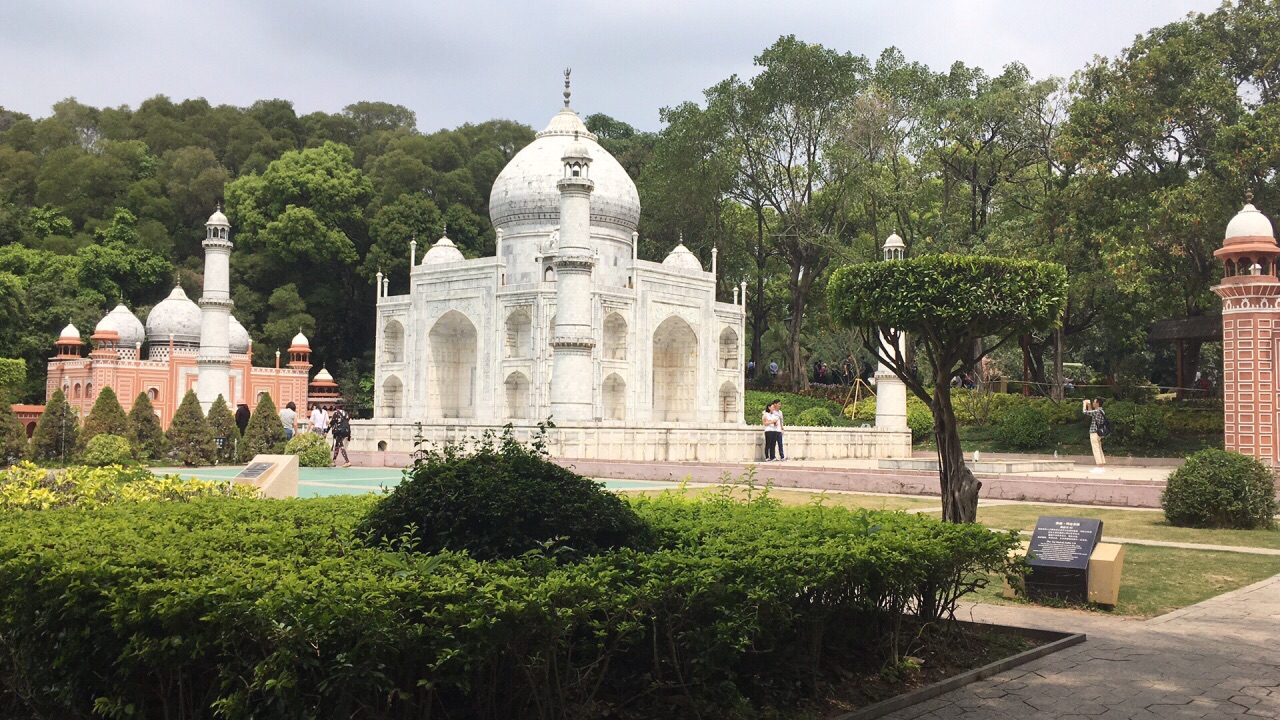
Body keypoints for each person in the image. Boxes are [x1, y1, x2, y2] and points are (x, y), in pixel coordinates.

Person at [1082, 398, 1107, 471]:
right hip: (1099, 433)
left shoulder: (1097, 411)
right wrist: (1089, 405)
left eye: (1094, 402)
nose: (1093, 403)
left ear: (1097, 403)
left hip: (1094, 432)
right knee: (1099, 448)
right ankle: (1101, 465)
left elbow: (1085, 412)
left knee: (1096, 449)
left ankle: (1099, 466)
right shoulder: (1101, 411)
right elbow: (1091, 412)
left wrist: (1084, 404)